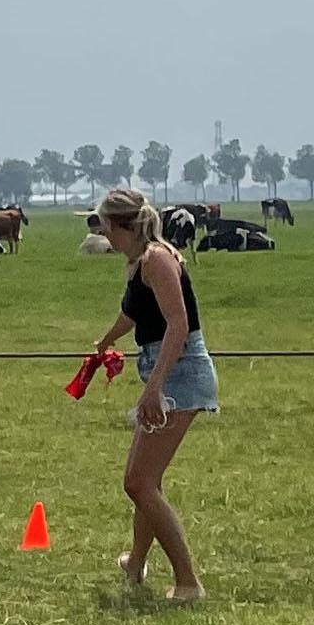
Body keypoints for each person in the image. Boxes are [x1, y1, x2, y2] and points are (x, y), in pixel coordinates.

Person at [89, 187, 214, 601]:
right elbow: (134, 312)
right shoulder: (140, 262)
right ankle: (136, 563)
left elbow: (178, 324)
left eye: (105, 226)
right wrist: (106, 341)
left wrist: (154, 389)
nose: (103, 235)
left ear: (119, 225)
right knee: (146, 480)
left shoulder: (158, 259)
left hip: (180, 373)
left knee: (138, 482)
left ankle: (188, 582)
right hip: (167, 370)